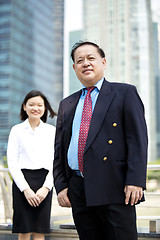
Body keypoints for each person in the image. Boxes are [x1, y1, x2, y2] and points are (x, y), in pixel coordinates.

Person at [53, 41, 148, 240]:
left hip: (115, 185)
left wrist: (135, 180)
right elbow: (60, 149)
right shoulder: (67, 104)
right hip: (78, 188)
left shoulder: (124, 93)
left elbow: (137, 139)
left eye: (91, 58)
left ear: (103, 62)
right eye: (80, 61)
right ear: (74, 68)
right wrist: (61, 185)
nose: (85, 63)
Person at [7, 90, 56, 240]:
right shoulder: (16, 130)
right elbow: (12, 162)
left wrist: (46, 188)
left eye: (40, 105)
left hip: (44, 181)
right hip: (23, 182)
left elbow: (56, 162)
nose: (36, 108)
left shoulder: (51, 131)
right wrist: (25, 189)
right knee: (24, 230)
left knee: (40, 230)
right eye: (32, 104)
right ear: (24, 107)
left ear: (45, 108)